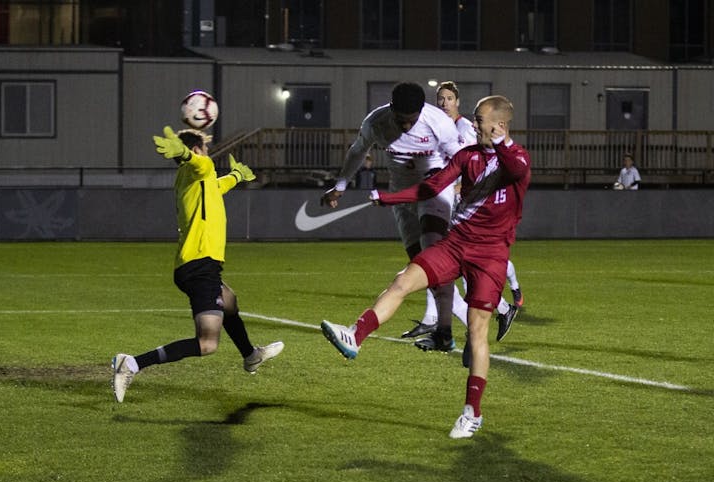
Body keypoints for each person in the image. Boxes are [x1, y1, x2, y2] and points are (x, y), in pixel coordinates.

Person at [321, 95, 530, 439]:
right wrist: (386, 198)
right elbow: (432, 186)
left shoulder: (517, 157)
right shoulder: (467, 156)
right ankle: (355, 336)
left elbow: (517, 169)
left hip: (491, 254)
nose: (472, 125)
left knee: (477, 332)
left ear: (500, 125)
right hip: (456, 242)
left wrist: (502, 141)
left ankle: (471, 413)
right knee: (403, 281)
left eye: (479, 120)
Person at [111, 127, 284, 403]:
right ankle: (131, 364)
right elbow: (203, 165)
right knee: (207, 343)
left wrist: (237, 175)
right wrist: (185, 153)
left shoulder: (196, 179)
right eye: (204, 149)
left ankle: (251, 356)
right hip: (200, 265)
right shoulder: (197, 169)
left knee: (229, 302)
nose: (208, 155)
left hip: (197, 264)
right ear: (196, 152)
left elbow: (218, 185)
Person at [320, 82, 468, 353]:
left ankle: (443, 330)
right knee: (424, 268)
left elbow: (460, 158)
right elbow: (358, 150)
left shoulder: (437, 123)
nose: (406, 127)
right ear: (391, 110)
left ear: (421, 111)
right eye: (401, 121)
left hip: (433, 193)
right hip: (401, 198)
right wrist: (341, 185)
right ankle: (445, 334)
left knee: (431, 259)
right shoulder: (377, 122)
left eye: (411, 121)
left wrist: (459, 187)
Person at [436, 81, 520, 340]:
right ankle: (501, 309)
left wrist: (465, 185)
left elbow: (484, 158)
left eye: (449, 98)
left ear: (457, 101)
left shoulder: (466, 127)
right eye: (440, 98)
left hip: (472, 204)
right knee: (463, 263)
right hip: (452, 200)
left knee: (470, 260)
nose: (444, 103)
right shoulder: (439, 126)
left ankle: (509, 297)